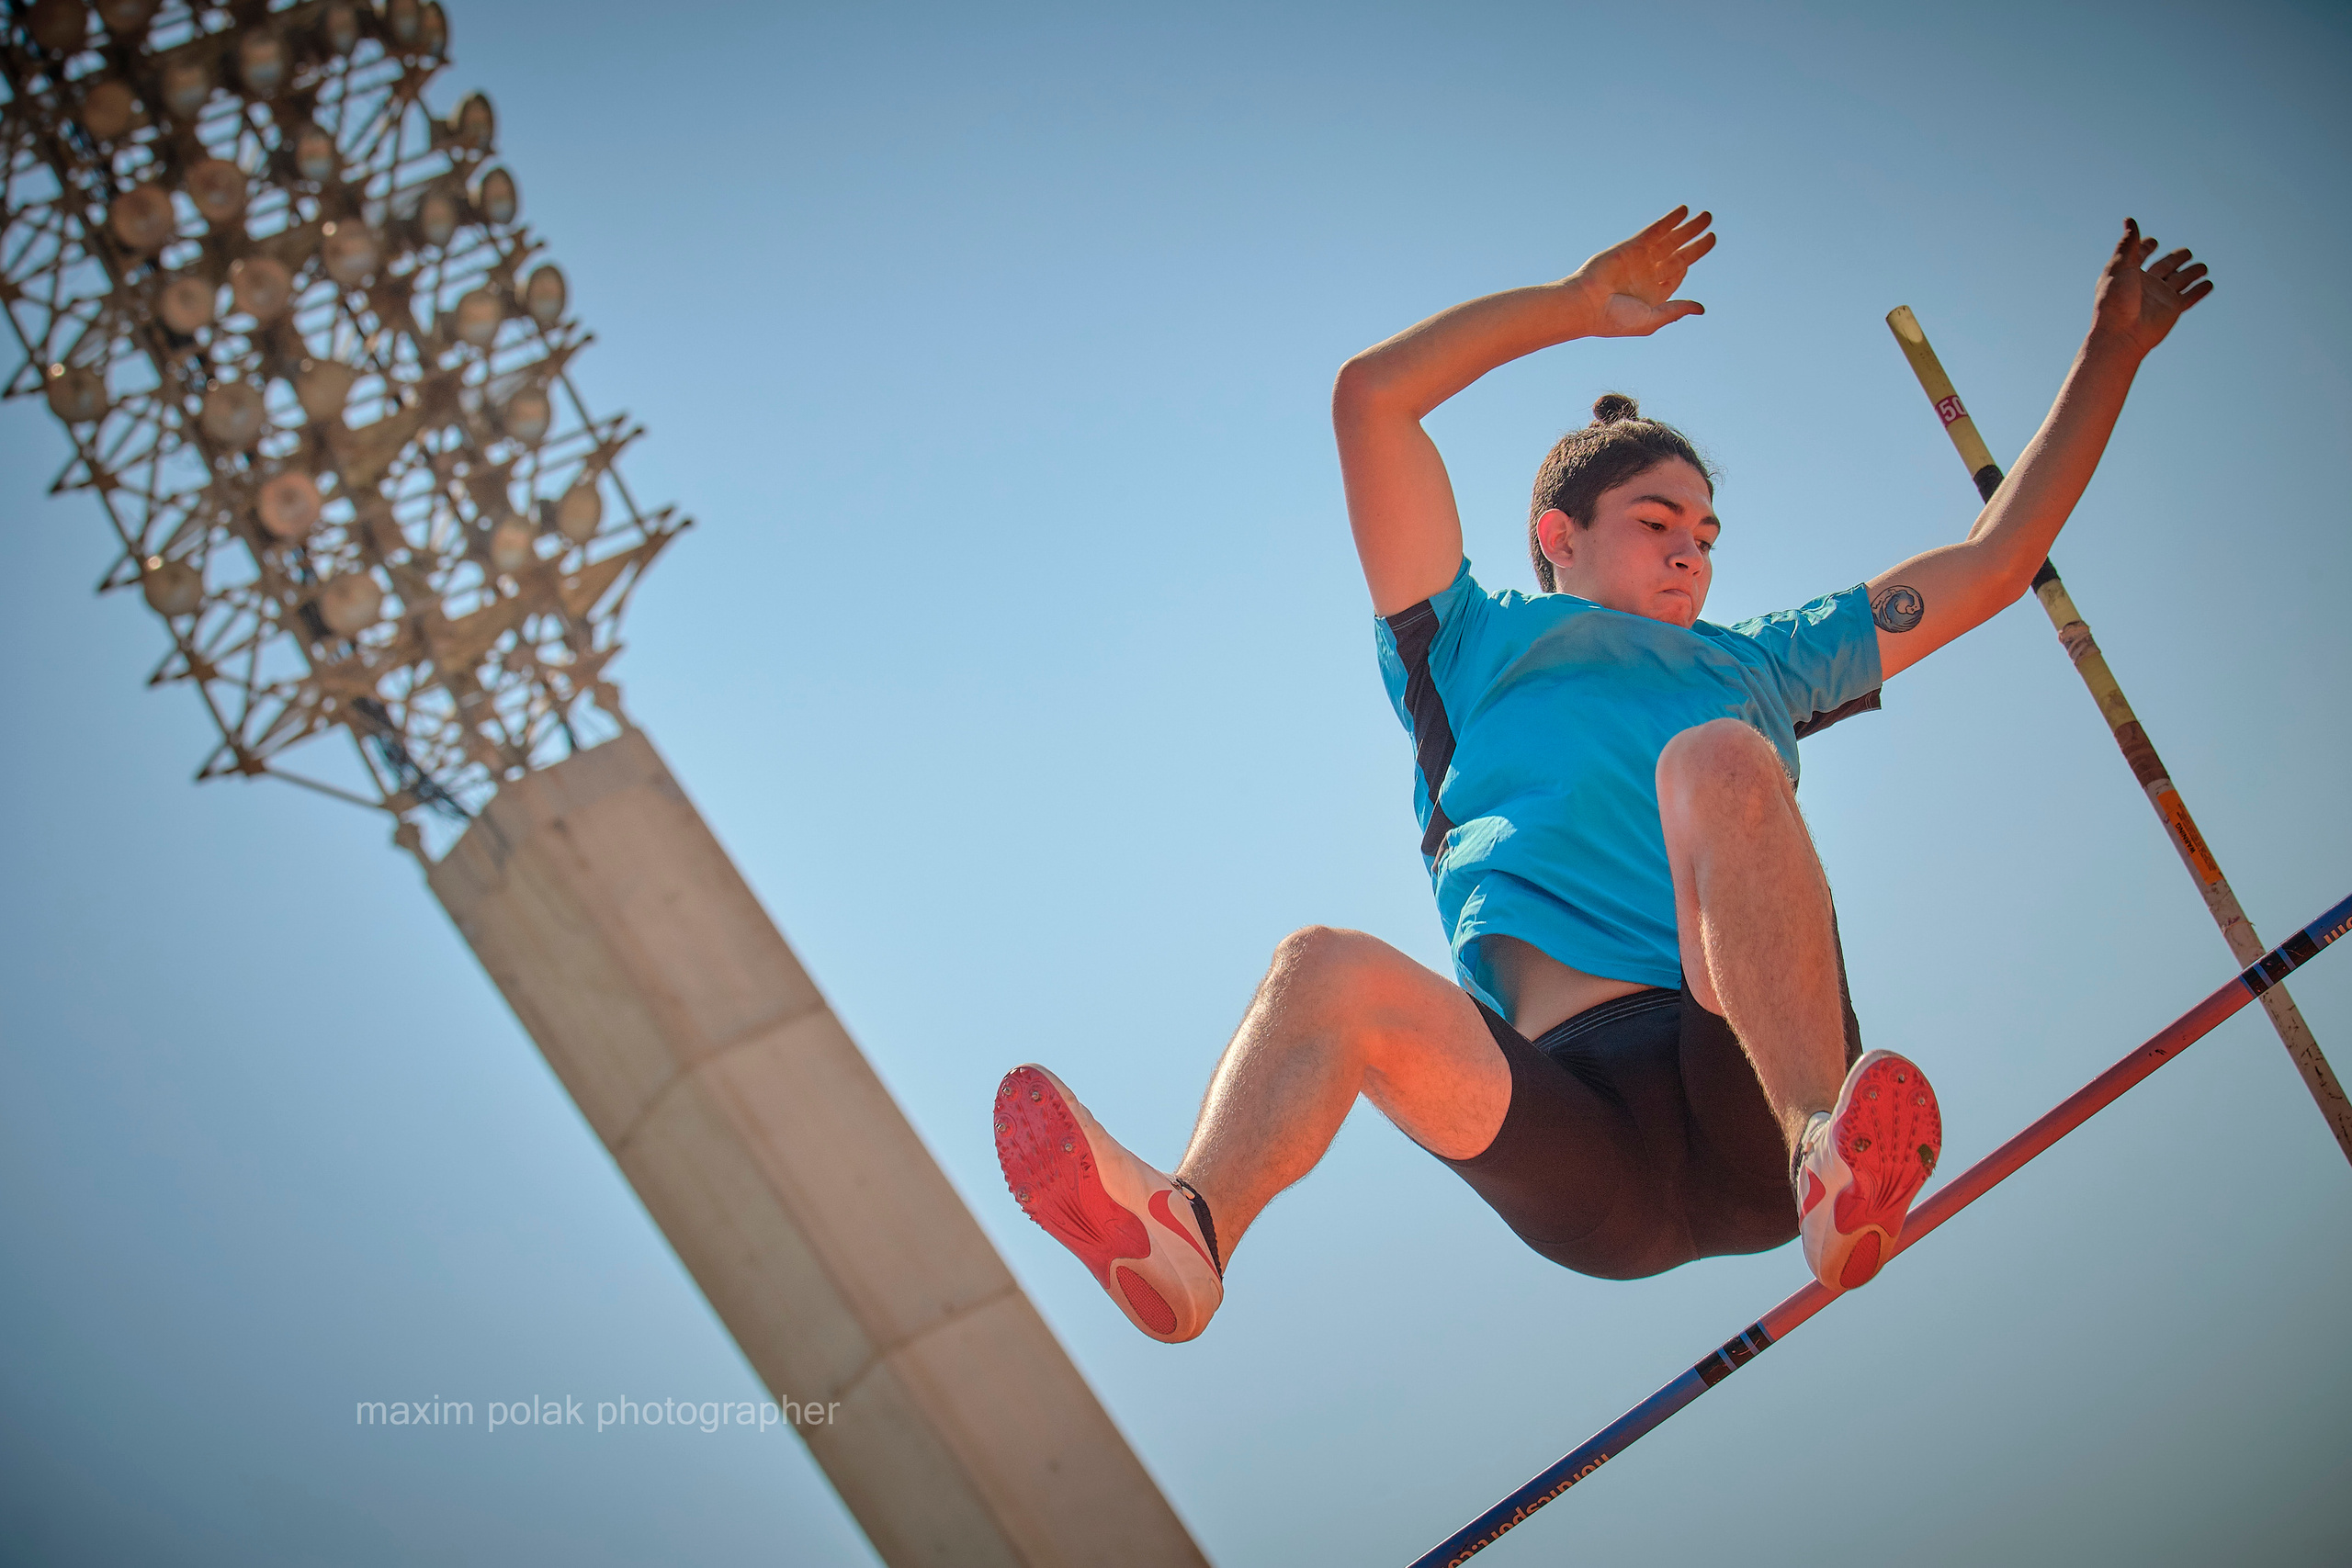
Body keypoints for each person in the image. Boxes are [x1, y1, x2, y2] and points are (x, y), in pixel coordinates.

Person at [994, 208, 2212, 1342]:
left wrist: (2115, 352)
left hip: (1740, 1076)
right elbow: (1373, 400)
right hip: (1565, 1130)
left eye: (1706, 535)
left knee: (1718, 759)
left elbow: (1996, 565)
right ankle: (1190, 1233)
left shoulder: (1760, 666)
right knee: (1322, 969)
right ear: (1557, 536)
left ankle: (1822, 1150)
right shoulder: (1464, 644)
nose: (1691, 550)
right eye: (1657, 520)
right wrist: (1575, 304)